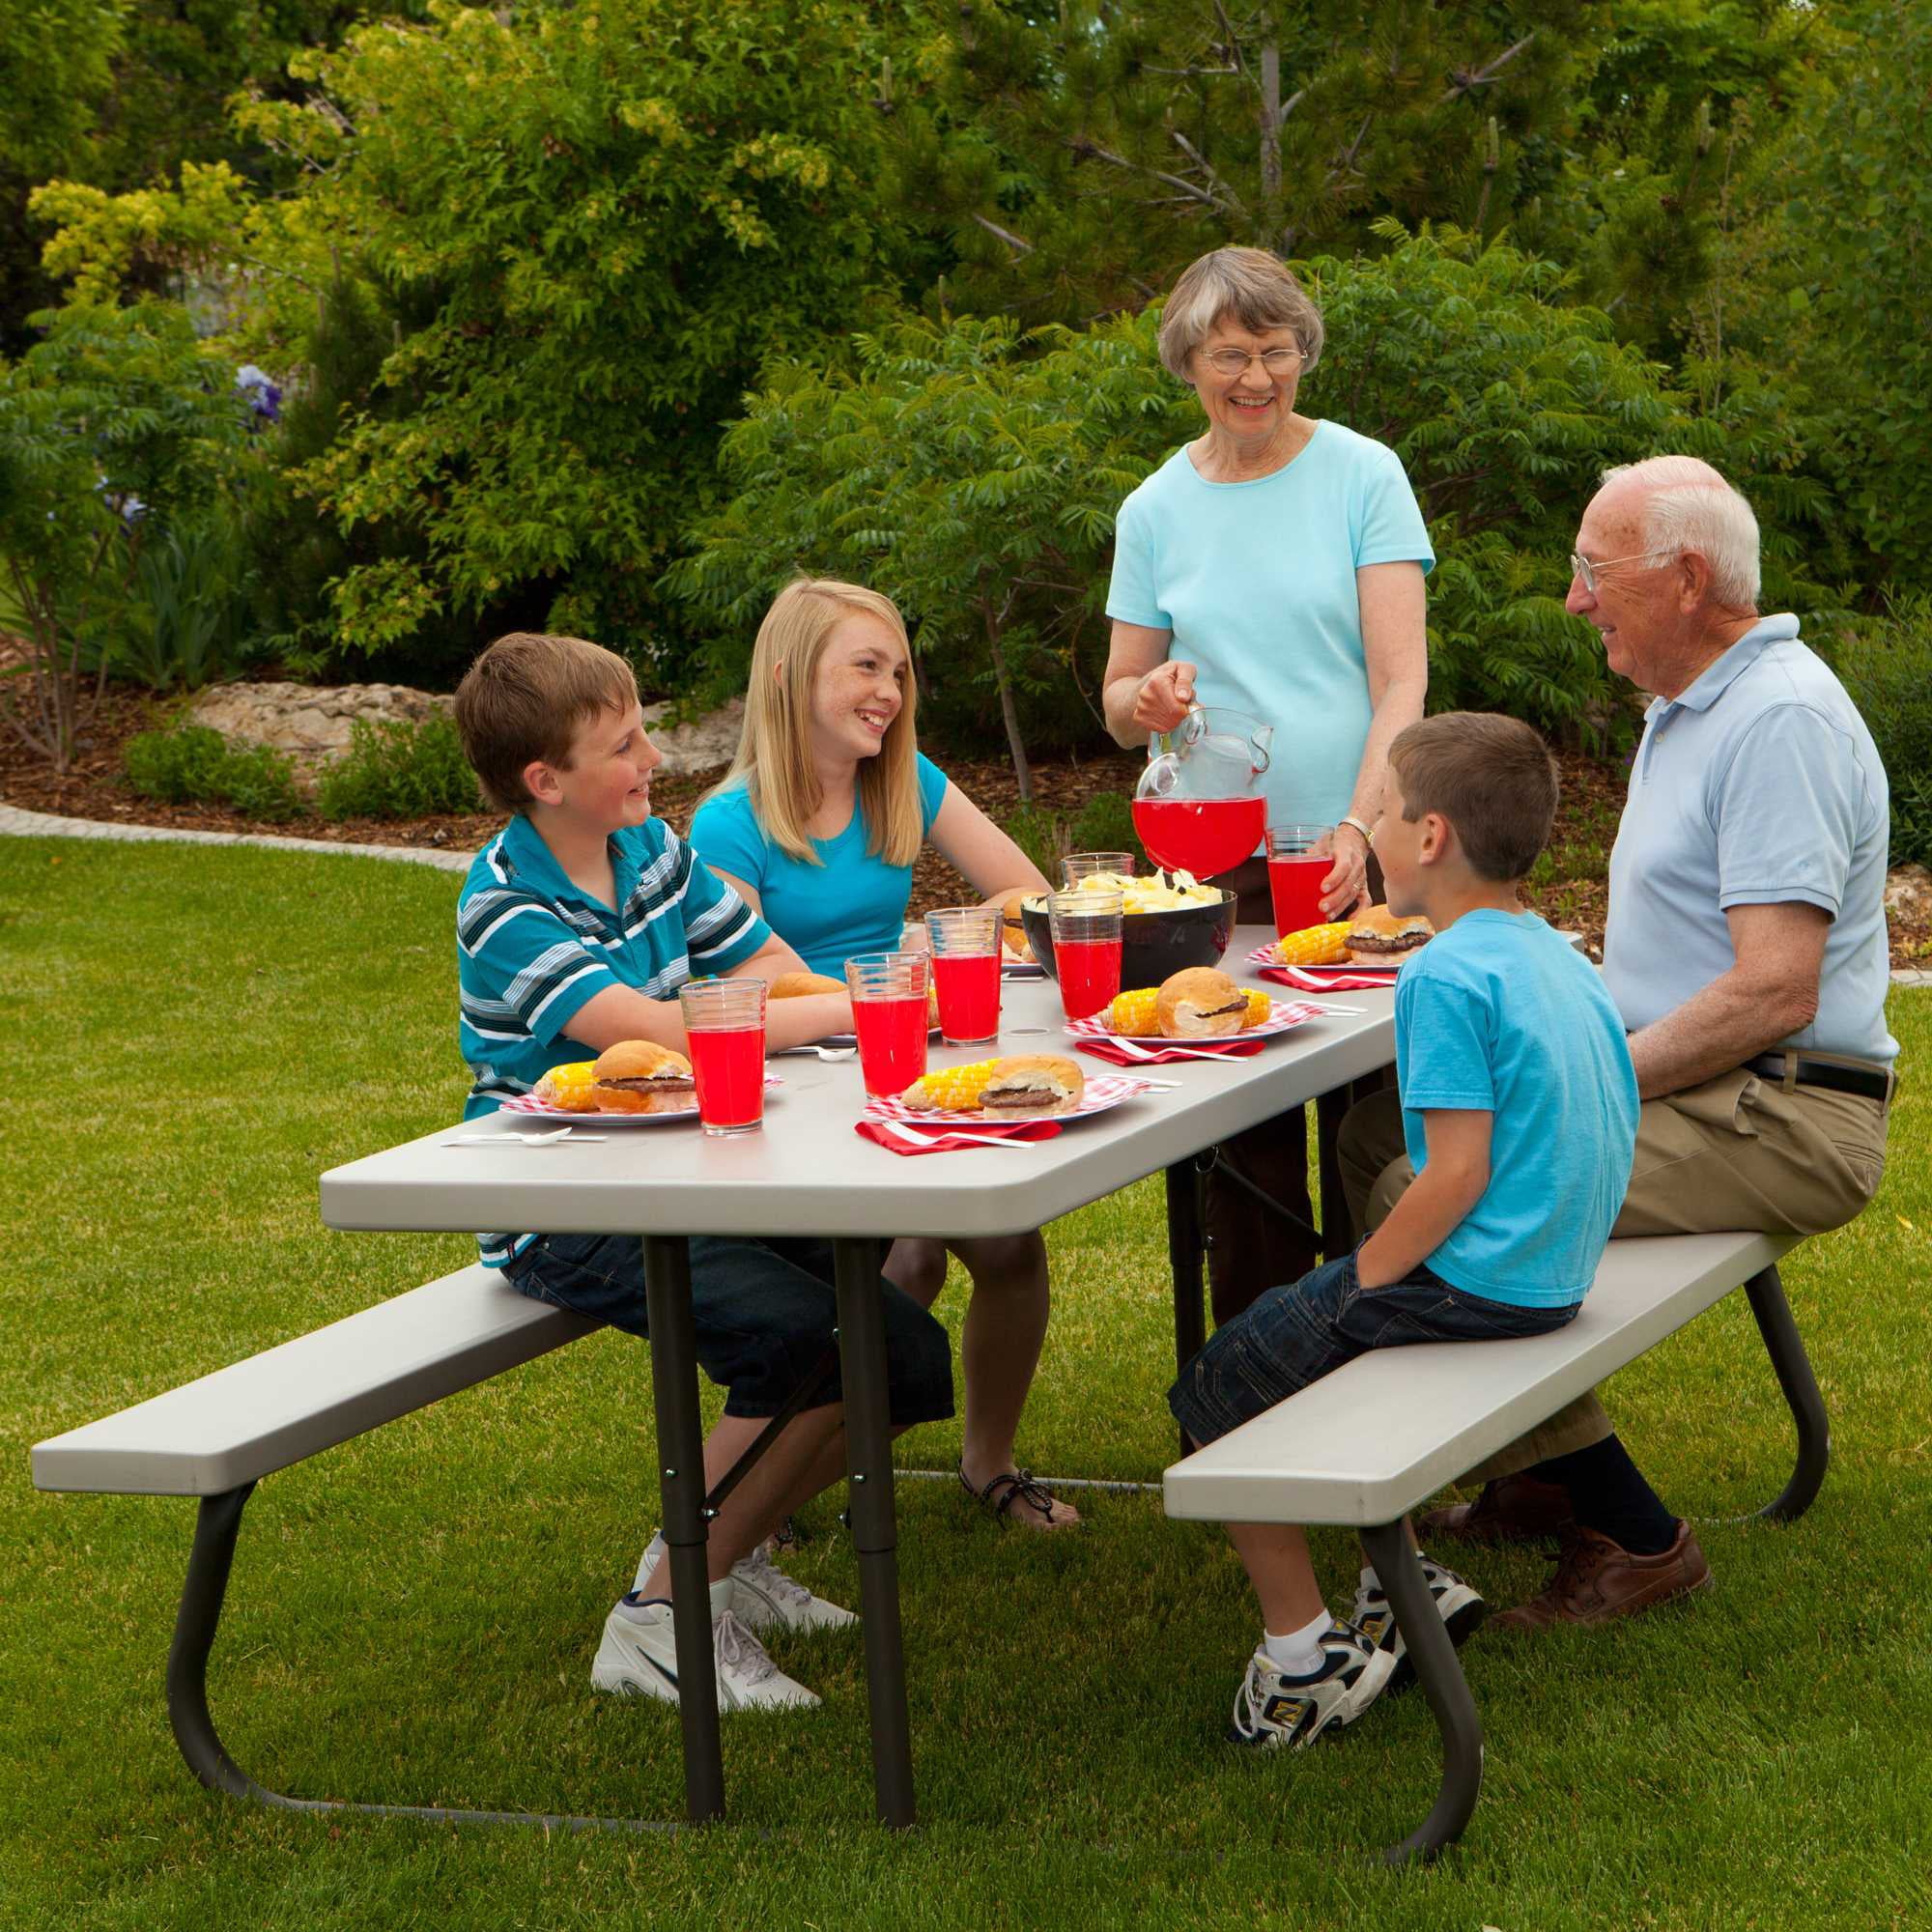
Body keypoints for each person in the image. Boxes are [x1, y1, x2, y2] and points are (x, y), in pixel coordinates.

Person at [1342, 457, 1898, 1627]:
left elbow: (1773, 989)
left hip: (1785, 1111)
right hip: (1725, 1087)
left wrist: (1572, 1078)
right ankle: (1537, 1464)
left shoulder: (1775, 721)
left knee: (1424, 1181)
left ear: (1686, 579)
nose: (1573, 598)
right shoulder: (1697, 706)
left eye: (1592, 570)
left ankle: (1632, 1531)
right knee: (1371, 1129)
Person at [451, 630, 956, 1712]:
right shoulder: (504, 907)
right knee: (802, 1343)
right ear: (547, 782)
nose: (650, 757)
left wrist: (816, 999)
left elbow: (762, 965)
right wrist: (871, 1002)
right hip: (559, 1205)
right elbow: (665, 1030)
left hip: (696, 1173)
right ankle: (659, 1614)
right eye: (624, 743)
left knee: (906, 1358)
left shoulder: (653, 851)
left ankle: (730, 1547)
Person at [1169, 711, 1639, 1748]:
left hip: (1479, 1285)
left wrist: (1359, 1277)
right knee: (1302, 1351)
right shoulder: (1555, 951)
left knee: (1219, 1386)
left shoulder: (1439, 970)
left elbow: (1456, 1170)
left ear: (1427, 837)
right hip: (1549, 1270)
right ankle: (1398, 1581)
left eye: (1377, 810)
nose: (1367, 829)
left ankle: (1302, 1664)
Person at [690, 579, 1075, 1529]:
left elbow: (1028, 898)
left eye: (897, 670)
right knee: (907, 1264)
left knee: (1006, 1242)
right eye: (865, 666)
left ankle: (987, 1463)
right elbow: (750, 980)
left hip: (907, 1046)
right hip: (798, 1082)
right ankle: (785, 1484)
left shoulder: (904, 780)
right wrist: (895, 981)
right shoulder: (729, 822)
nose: (889, 692)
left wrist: (934, 940)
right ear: (788, 675)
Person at [1100, 244, 1434, 1326]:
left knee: (1374, 1115)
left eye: (1273, 350)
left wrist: (1357, 824)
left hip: (1356, 848)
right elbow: (1117, 695)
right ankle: (1260, 1359)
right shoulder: (1153, 507)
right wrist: (1144, 696)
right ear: (1185, 363)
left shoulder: (1360, 473)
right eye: (1226, 354)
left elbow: (1400, 679)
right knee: (1239, 1127)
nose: (1253, 377)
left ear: (1303, 352)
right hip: (1213, 858)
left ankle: (1389, 1326)